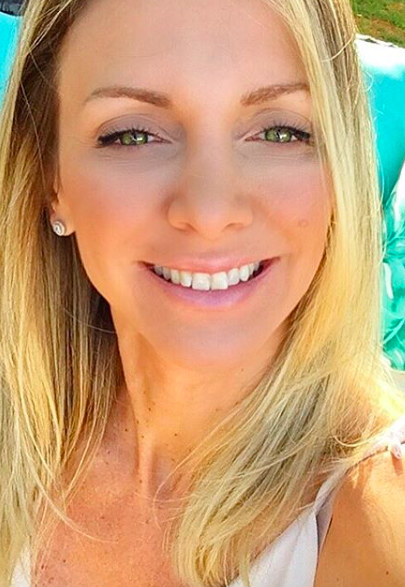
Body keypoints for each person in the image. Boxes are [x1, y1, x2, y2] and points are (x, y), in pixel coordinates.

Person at [1, 1, 405, 586]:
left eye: (280, 131)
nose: (211, 211)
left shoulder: (380, 522)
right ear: (50, 179)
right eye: (133, 134)